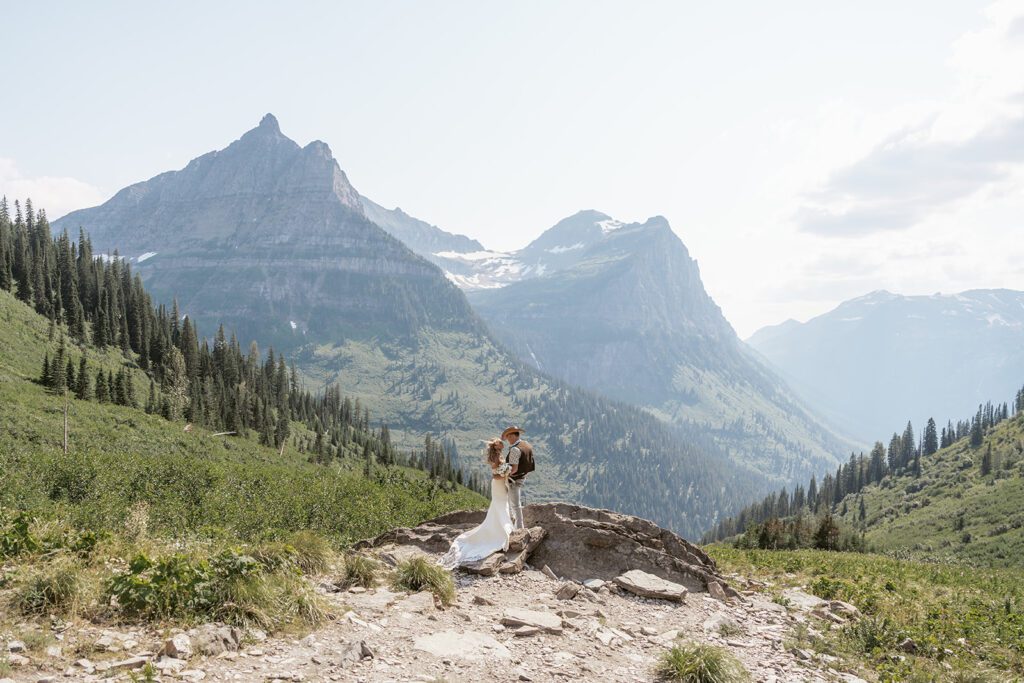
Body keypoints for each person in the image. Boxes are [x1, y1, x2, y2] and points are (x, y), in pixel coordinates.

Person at [438, 438, 515, 569]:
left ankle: (504, 526)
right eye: (501, 442)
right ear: (497, 446)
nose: (503, 443)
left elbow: (499, 473)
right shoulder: (495, 457)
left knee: (501, 504)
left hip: (501, 483)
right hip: (498, 484)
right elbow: (495, 475)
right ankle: (504, 530)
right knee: (499, 504)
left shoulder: (498, 455)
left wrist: (506, 472)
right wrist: (508, 471)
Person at [502, 425, 532, 530]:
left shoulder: (515, 449)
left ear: (513, 436)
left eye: (508, 437)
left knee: (515, 504)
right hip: (522, 477)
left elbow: (514, 469)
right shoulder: (526, 445)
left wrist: (503, 473)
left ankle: (519, 527)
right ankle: (514, 524)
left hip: (514, 480)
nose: (507, 439)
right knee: (515, 503)